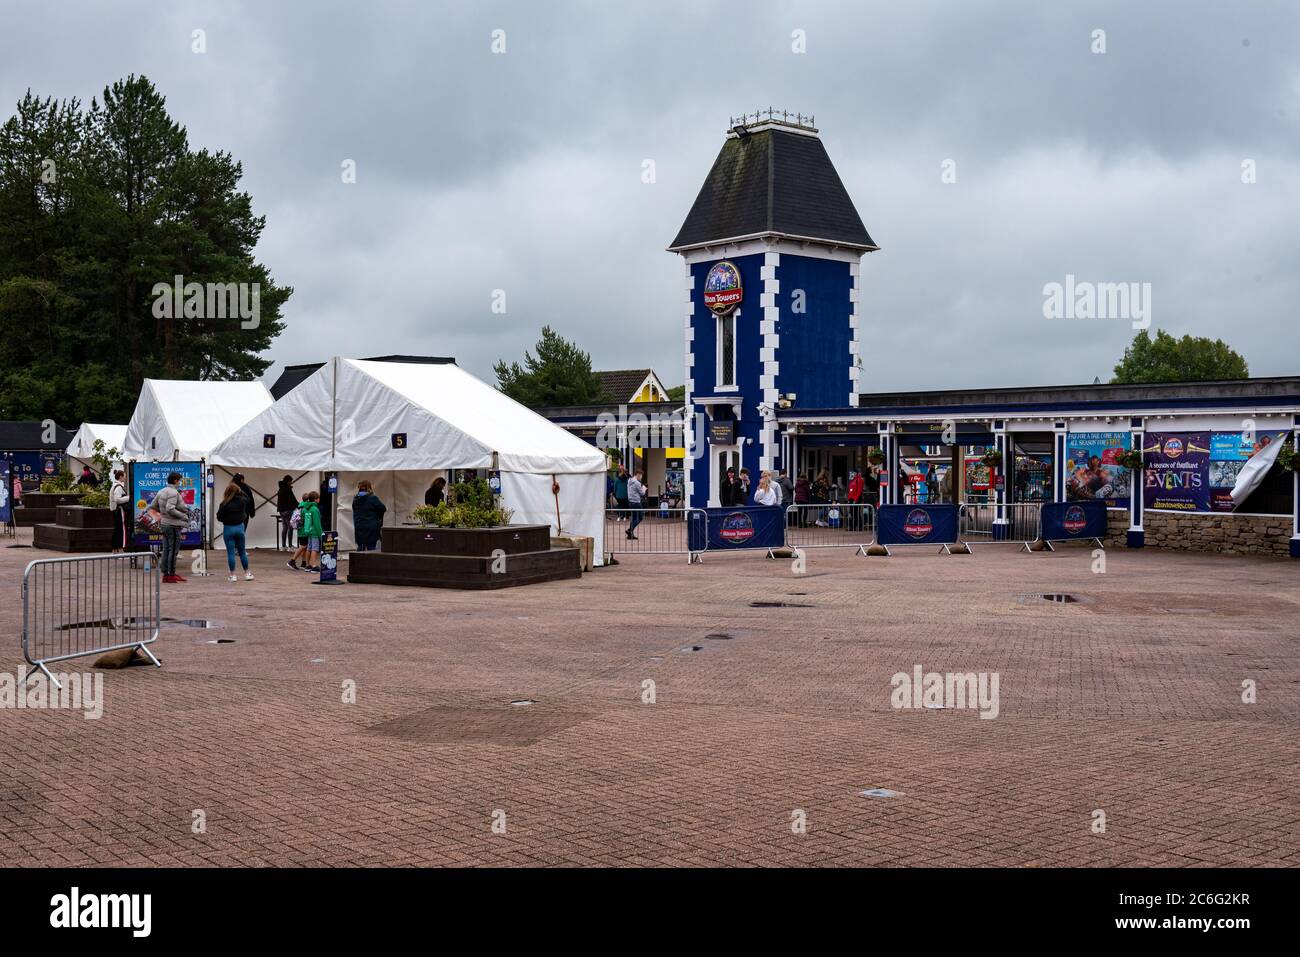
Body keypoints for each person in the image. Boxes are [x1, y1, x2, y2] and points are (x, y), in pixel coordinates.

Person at [153, 472, 189, 584]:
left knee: (166, 550)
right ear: (175, 481)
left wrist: (163, 515)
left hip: (164, 524)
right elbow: (170, 508)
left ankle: (166, 574)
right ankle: (171, 574)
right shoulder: (173, 492)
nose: (180, 482)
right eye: (179, 480)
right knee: (173, 551)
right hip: (173, 525)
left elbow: (153, 506)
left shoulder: (161, 491)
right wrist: (183, 516)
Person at [216, 482, 254, 582]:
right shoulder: (242, 501)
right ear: (238, 491)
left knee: (231, 553)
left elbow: (219, 517)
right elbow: (248, 499)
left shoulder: (224, 504)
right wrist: (240, 491)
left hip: (228, 528)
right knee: (242, 552)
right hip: (240, 528)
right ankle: (247, 573)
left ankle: (233, 575)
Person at [287, 491, 323, 572]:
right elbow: (317, 523)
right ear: (316, 499)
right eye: (318, 498)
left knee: (309, 548)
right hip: (314, 532)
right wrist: (321, 534)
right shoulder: (314, 509)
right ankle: (313, 565)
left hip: (307, 531)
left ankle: (308, 565)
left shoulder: (307, 508)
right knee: (315, 549)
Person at [352, 480, 387, 552]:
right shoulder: (372, 498)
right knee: (371, 548)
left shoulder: (355, 499)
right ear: (369, 487)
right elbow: (383, 508)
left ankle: (358, 562)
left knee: (360, 547)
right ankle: (370, 563)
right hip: (371, 527)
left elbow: (355, 511)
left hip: (359, 527)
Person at [110, 469, 130, 552]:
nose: (125, 478)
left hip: (115, 510)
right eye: (124, 476)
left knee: (117, 530)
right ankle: (120, 549)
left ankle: (115, 550)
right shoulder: (118, 487)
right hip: (120, 511)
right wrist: (129, 498)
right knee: (121, 530)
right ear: (120, 476)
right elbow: (117, 499)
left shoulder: (114, 486)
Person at [276, 475, 298, 549]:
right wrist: (298, 505)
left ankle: (283, 545)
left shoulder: (280, 489)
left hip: (281, 511)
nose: (292, 482)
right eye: (291, 481)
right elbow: (292, 499)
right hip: (288, 510)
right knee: (290, 527)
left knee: (284, 527)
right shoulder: (288, 489)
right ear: (288, 481)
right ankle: (290, 545)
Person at [626, 469, 647, 539]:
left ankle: (630, 534)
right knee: (640, 517)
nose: (641, 477)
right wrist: (644, 488)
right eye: (641, 475)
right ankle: (629, 530)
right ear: (638, 474)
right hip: (636, 502)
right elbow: (642, 493)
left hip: (630, 501)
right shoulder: (637, 483)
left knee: (634, 517)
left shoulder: (629, 480)